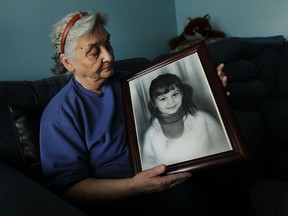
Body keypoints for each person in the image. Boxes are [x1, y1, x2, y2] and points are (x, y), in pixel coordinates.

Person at [40, 10, 253, 216]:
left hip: (168, 160)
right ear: (68, 62)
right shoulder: (59, 115)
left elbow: (174, 104)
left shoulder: (132, 81)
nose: (108, 56)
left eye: (108, 43)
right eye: (94, 52)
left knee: (229, 170)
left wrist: (213, 89)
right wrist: (135, 186)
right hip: (125, 191)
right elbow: (70, 187)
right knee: (186, 201)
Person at [142, 73, 231, 170]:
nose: (171, 102)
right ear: (154, 103)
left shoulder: (203, 118)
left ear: (182, 94)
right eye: (163, 98)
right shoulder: (151, 134)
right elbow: (148, 167)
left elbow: (225, 147)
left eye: (175, 94)